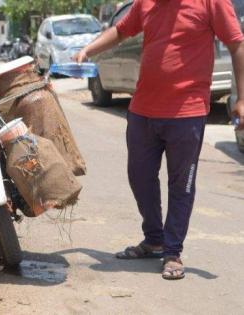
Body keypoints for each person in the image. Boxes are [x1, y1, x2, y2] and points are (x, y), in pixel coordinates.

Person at [74, 0, 244, 280]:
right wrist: (88, 50)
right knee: (139, 176)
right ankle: (154, 239)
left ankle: (172, 251)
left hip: (187, 112)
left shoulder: (211, 2)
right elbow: (120, 30)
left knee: (181, 184)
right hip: (143, 109)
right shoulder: (146, 3)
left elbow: (237, 44)